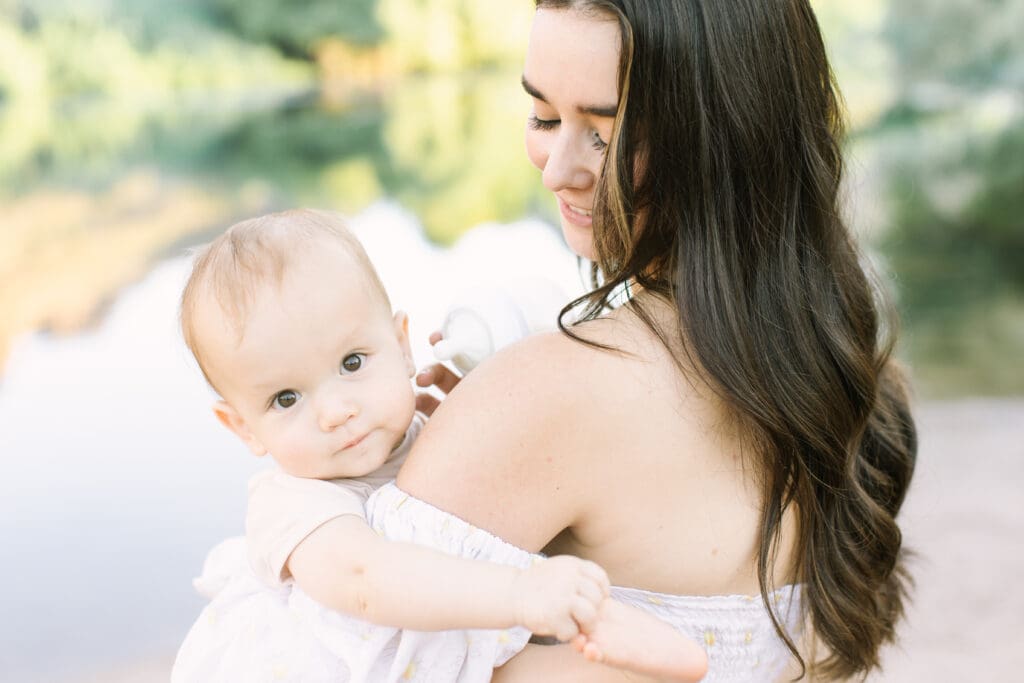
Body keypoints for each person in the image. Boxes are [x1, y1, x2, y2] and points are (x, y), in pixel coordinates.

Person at [379, 1, 918, 681]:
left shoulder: (552, 393)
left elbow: (334, 649)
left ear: (730, 135)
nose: (555, 170)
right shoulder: (845, 373)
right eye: (543, 117)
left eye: (607, 134)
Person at [171, 209, 705, 682]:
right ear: (242, 428)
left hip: (459, 642)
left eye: (352, 363)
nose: (336, 411)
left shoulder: (424, 431)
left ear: (402, 346)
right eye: (286, 398)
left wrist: (473, 407)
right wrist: (521, 592)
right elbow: (364, 581)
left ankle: (654, 650)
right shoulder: (291, 506)